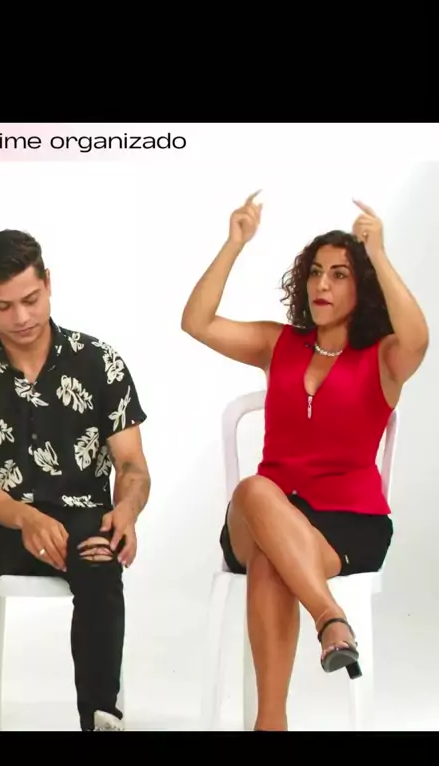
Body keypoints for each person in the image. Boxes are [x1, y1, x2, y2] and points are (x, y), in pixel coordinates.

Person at [181, 192, 429, 731]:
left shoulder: (384, 357)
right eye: (316, 272)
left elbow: (419, 337)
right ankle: (330, 618)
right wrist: (234, 243)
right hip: (262, 511)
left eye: (339, 275)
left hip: (348, 522)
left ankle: (270, 723)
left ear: (362, 288)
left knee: (272, 559)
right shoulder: (279, 344)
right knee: (254, 491)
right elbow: (196, 322)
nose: (322, 285)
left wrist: (379, 254)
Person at [0, 229, 150, 732]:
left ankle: (101, 718)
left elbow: (132, 465)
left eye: (31, 299)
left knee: (101, 560)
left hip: (81, 519)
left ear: (48, 282)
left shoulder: (99, 362)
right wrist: (25, 518)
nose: (21, 317)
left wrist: (127, 510)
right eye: (3, 306)